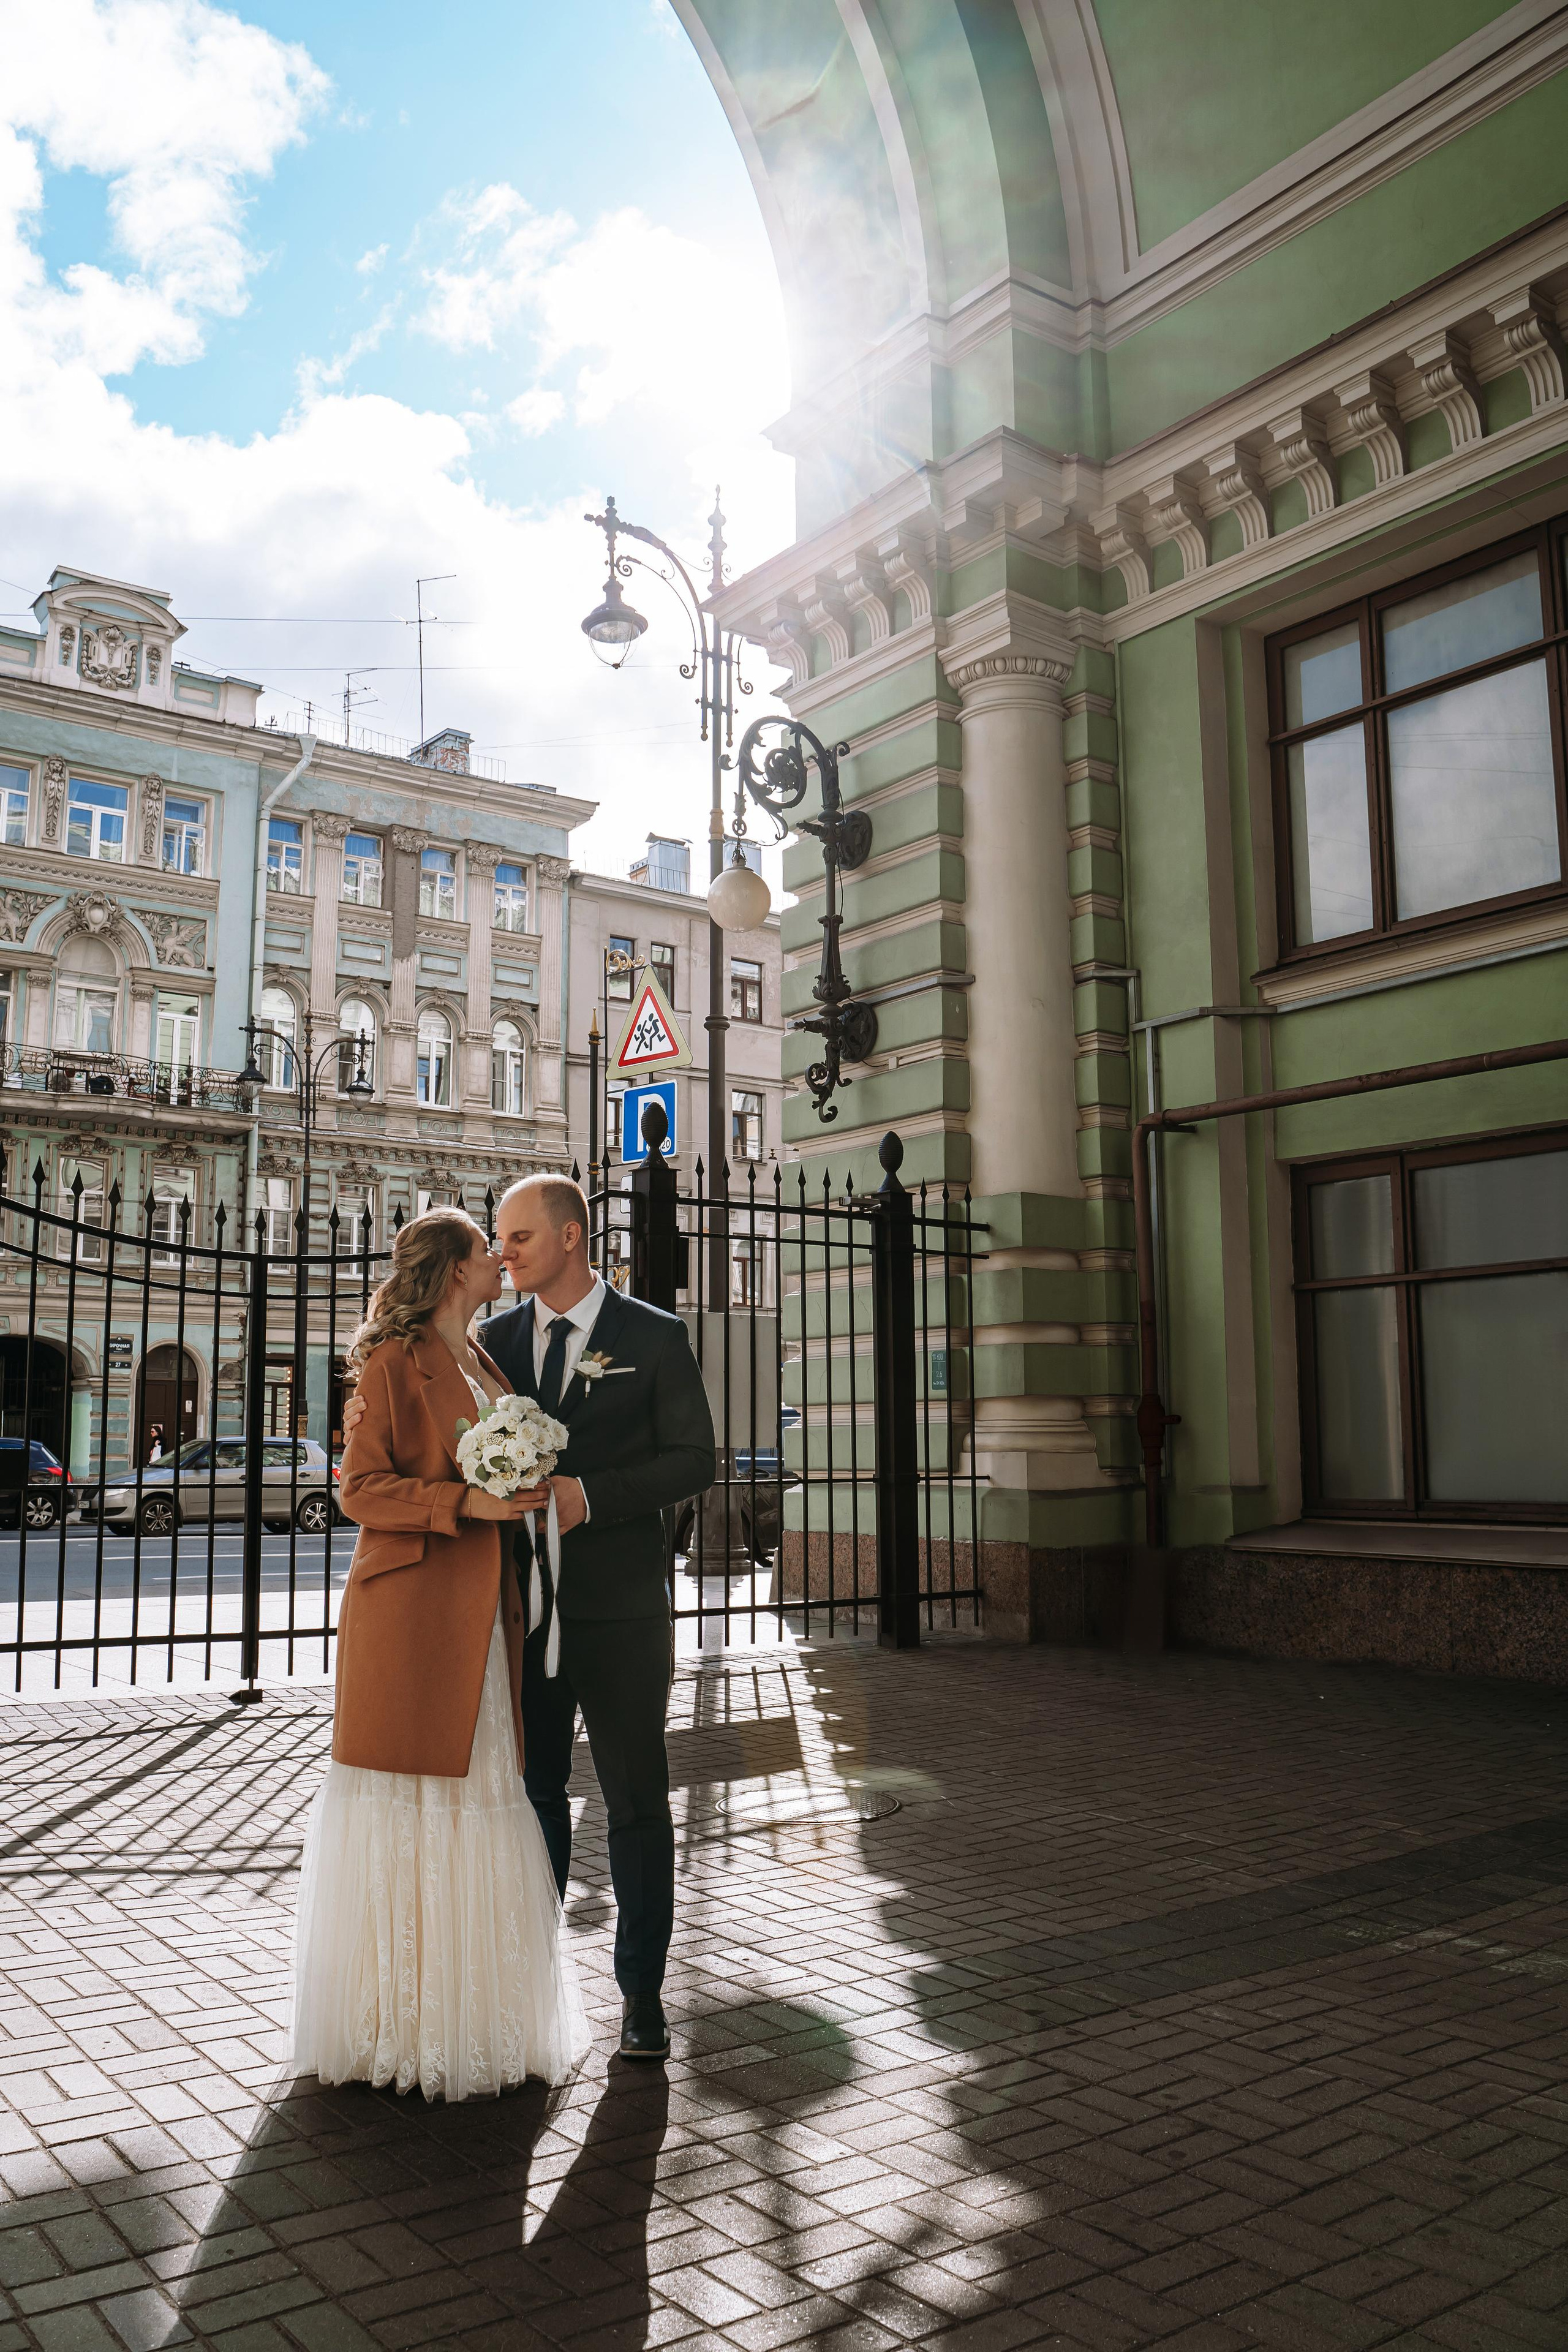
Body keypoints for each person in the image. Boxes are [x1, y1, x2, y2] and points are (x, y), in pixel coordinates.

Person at [341, 1174, 716, 2063]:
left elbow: (694, 1459)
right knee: (529, 1803)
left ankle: (642, 1998)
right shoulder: (490, 1341)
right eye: (496, 1242)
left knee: (636, 1806)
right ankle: (531, 1991)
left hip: (620, 1614)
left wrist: (593, 1496)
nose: (504, 1253)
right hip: (512, 1620)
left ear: (572, 1237)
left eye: (519, 1237)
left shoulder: (654, 1336)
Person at [292, 1206, 587, 2100]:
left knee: (482, 1793)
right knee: (412, 1805)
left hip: (481, 1611)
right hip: (413, 1611)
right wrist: (465, 1504)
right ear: (458, 1269)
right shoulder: (395, 1360)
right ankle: (396, 2024)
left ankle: (471, 2020)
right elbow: (359, 1489)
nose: (500, 1258)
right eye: (486, 1249)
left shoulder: (485, 1359)